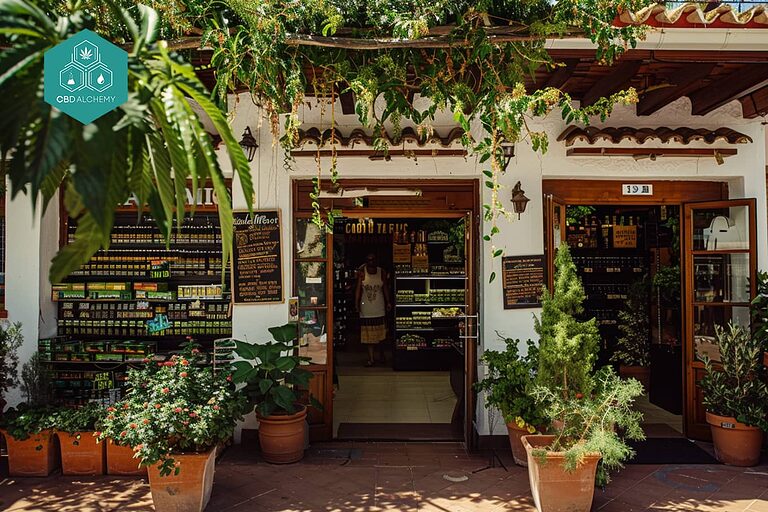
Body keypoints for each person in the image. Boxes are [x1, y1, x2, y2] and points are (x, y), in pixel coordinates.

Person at [355, 253, 392, 367]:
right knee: (368, 335)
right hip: (366, 307)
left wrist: (388, 301)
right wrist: (356, 304)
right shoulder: (362, 273)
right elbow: (358, 289)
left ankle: (381, 354)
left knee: (381, 333)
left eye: (373, 260)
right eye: (368, 260)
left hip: (379, 306)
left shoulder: (382, 272)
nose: (371, 262)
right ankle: (371, 358)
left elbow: (385, 287)